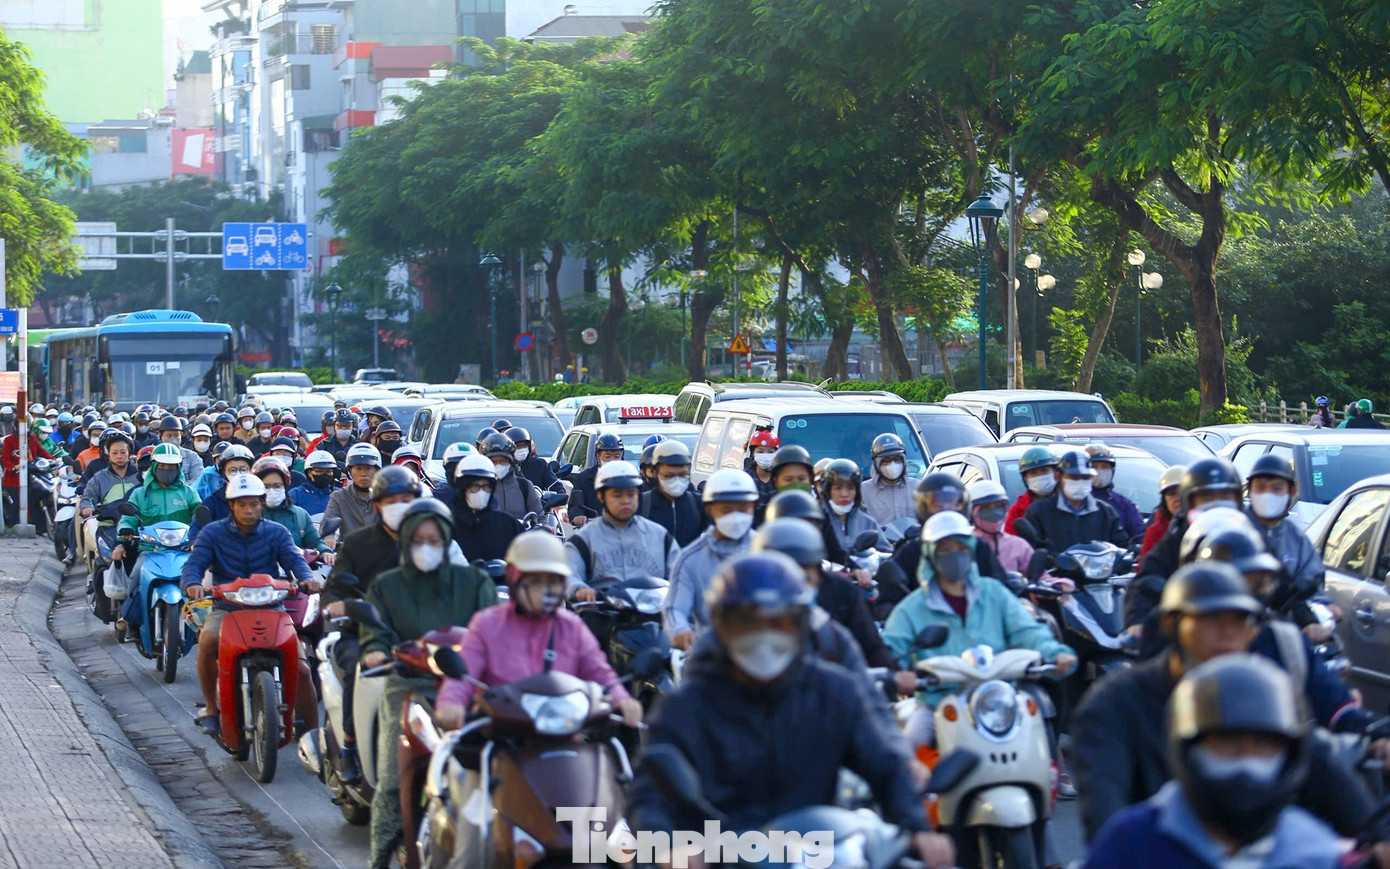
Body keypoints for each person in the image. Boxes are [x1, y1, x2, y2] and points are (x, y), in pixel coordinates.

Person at [628, 553, 956, 869]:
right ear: (723, 627)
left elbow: (884, 763)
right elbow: (651, 792)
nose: (764, 637)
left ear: (800, 625)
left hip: (822, 850)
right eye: (749, 623)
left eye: (778, 622)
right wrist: (669, 846)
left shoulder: (833, 691)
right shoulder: (687, 705)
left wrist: (918, 829)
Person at [1071, 562, 1384, 844]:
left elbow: (1315, 756)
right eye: (1210, 620)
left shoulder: (1262, 691)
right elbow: (1106, 821)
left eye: (1239, 621)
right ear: (1171, 625)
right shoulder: (1114, 703)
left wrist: (1376, 836)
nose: (1226, 634)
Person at [1083, 655, 1341, 869]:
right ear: (1189, 748)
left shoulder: (1315, 852)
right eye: (1227, 744)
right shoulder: (1133, 842)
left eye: (1262, 746)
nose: (1245, 763)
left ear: (1290, 755)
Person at [357, 499, 497, 869]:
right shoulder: (386, 586)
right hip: (408, 685)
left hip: (467, 687)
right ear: (404, 541)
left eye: (434, 539)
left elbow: (492, 631)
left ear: (447, 538)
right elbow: (373, 631)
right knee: (391, 778)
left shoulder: (475, 581)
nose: (426, 546)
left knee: (502, 764)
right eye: (417, 539)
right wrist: (375, 651)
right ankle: (379, 858)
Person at [883, 511, 1076, 750]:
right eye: (945, 549)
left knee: (1041, 745)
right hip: (937, 706)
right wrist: (897, 675)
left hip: (1000, 702)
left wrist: (1054, 652)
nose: (955, 554)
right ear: (930, 555)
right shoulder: (912, 607)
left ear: (971, 549)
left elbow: (1027, 630)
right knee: (906, 756)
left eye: (961, 547)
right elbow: (889, 650)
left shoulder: (994, 593)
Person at [434, 533, 641, 730]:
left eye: (552, 581)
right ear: (514, 578)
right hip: (503, 737)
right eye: (534, 581)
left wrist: (621, 697)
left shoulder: (571, 626)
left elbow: (598, 670)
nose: (544, 590)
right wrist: (451, 703)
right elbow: (464, 672)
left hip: (563, 735)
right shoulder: (486, 624)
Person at [180, 473, 319, 739]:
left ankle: (315, 737)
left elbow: (294, 559)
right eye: (242, 504)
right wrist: (192, 583)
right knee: (208, 643)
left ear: (262, 504)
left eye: (254, 503)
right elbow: (194, 564)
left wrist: (307, 579)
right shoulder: (212, 533)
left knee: (301, 668)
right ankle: (211, 709)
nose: (249, 510)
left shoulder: (277, 532)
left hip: (271, 607)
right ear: (231, 505)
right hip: (227, 608)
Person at [321, 465, 426, 784]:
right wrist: (339, 607)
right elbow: (334, 590)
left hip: (420, 636)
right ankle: (351, 746)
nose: (400, 505)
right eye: (392, 499)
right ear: (377, 505)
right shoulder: (357, 544)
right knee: (360, 670)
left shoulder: (429, 540)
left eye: (407, 498)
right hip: (364, 635)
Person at [751, 517, 897, 669]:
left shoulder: (832, 629)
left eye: (806, 574)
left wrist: (894, 675)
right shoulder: (748, 621)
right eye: (786, 575)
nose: (797, 584)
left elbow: (868, 651)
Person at [1127, 457, 1246, 631]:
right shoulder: (1177, 536)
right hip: (1189, 627)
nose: (1216, 503)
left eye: (1225, 496)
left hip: (1244, 626)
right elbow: (1145, 581)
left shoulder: (1251, 533)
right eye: (1206, 497)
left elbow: (1281, 585)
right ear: (1189, 502)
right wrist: (1137, 623)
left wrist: (1300, 619)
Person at [664, 468, 759, 650]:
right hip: (713, 655)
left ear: (753, 507)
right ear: (709, 508)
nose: (736, 516)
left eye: (743, 508)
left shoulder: (768, 551)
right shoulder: (690, 559)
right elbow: (675, 608)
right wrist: (680, 630)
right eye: (726, 509)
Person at [114, 443, 202, 634]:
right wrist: (126, 529)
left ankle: (203, 622)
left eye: (172, 466)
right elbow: (128, 518)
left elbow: (199, 514)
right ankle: (131, 618)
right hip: (150, 550)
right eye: (163, 466)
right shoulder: (140, 494)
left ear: (179, 467)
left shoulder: (188, 492)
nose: (167, 470)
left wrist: (203, 530)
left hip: (183, 550)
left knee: (199, 579)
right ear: (154, 466)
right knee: (136, 577)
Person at [885, 472, 1006, 608]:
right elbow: (888, 600)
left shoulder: (978, 547)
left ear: (964, 506)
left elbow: (1000, 591)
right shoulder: (910, 552)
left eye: (953, 504)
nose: (946, 511)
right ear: (922, 508)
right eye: (937, 505)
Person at [565, 460, 678, 599]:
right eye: (617, 495)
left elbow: (681, 574)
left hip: (654, 615)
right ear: (601, 496)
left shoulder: (660, 536)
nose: (625, 501)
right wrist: (579, 589)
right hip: (602, 615)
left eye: (631, 494)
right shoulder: (583, 540)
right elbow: (568, 573)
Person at [1245, 454, 1325, 637]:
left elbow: (1312, 589)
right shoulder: (1234, 530)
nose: (1268, 494)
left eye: (1276, 488)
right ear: (1249, 490)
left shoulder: (1298, 539)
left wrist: (1320, 614)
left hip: (1287, 635)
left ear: (1293, 491)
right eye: (1261, 487)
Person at [1021, 449, 1127, 554]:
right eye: (1074, 477)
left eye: (1085, 478)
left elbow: (1121, 545)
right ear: (1058, 476)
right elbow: (1030, 549)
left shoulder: (1106, 512)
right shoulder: (1039, 511)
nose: (1080, 482)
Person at [78, 431, 142, 579]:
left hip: (136, 527)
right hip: (109, 526)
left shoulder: (140, 475)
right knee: (102, 563)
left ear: (129, 453)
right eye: (115, 453)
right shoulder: (100, 477)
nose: (119, 456)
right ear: (108, 454)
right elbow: (88, 496)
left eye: (123, 452)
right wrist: (87, 506)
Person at [254, 458, 332, 561]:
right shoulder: (249, 516)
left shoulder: (300, 514)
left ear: (285, 486)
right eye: (266, 487)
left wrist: (325, 551)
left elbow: (315, 542)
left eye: (277, 486)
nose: (272, 491)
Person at [449, 454, 523, 561]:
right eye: (474, 486)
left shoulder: (507, 524)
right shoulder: (448, 525)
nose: (481, 492)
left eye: (486, 486)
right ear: (463, 488)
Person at [637, 440, 706, 547]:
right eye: (669, 476)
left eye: (682, 475)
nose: (676, 481)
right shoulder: (641, 504)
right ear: (656, 473)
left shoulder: (699, 504)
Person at [966, 480, 1035, 576]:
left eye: (999, 506)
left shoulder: (1018, 545)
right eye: (986, 507)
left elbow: (1041, 578)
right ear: (971, 512)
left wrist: (1060, 584)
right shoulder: (964, 546)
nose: (994, 512)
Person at [820, 458, 886, 555]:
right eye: (838, 488)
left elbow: (887, 555)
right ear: (828, 491)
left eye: (850, 488)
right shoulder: (816, 521)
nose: (844, 494)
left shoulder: (868, 523)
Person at [477, 430, 541, 521]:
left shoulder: (524, 486)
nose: (498, 465)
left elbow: (539, 516)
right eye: (493, 462)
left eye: (503, 461)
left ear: (511, 461)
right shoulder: (477, 487)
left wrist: (545, 528)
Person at [1086, 444, 1144, 541]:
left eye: (1104, 467)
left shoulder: (1124, 504)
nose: (1099, 471)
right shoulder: (1077, 500)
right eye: (1094, 466)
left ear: (1112, 470)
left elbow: (1140, 535)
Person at [2, 420, 54, 526]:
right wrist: (13, 467)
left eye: (27, 426)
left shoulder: (32, 438)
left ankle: (38, 524)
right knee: (17, 502)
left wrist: (53, 459)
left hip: (32, 474)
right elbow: (5, 458)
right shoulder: (9, 440)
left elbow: (41, 451)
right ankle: (14, 525)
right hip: (14, 478)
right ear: (16, 426)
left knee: (37, 497)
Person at [324, 442, 381, 537]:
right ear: (349, 471)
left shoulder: (386, 496)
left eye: (368, 468)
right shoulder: (339, 496)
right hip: (349, 549)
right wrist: (329, 537)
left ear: (377, 470)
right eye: (358, 469)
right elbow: (328, 520)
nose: (363, 474)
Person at [567, 432, 623, 527]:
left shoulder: (631, 478)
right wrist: (578, 516)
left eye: (617, 456)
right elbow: (575, 506)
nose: (612, 460)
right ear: (598, 457)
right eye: (608, 456)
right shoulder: (584, 478)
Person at [860, 432, 916, 524]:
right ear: (876, 463)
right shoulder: (863, 491)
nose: (892, 464)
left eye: (897, 459)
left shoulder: (917, 488)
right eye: (886, 461)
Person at [1005, 446, 1061, 534]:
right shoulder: (1017, 511)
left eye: (1044, 470)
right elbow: (1010, 544)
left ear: (1055, 473)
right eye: (1033, 473)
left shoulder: (1069, 502)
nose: (1039, 476)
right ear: (1025, 479)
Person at [1141, 465, 1185, 561]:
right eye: (1171, 494)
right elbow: (1146, 571)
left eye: (1181, 492)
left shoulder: (1203, 525)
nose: (1177, 499)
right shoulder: (1155, 532)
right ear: (1164, 499)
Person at [288, 450, 339, 517]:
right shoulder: (296, 494)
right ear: (309, 473)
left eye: (328, 471)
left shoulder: (338, 494)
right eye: (319, 471)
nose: (324, 475)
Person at [156, 416, 204, 483]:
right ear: (161, 435)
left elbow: (198, 480)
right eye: (169, 436)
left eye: (176, 435)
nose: (173, 439)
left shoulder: (192, 457)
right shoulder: (155, 456)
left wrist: (178, 489)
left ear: (181, 434)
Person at [744, 427, 780, 500]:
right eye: (760, 452)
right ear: (753, 453)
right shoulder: (745, 478)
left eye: (770, 452)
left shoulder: (781, 478)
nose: (765, 456)